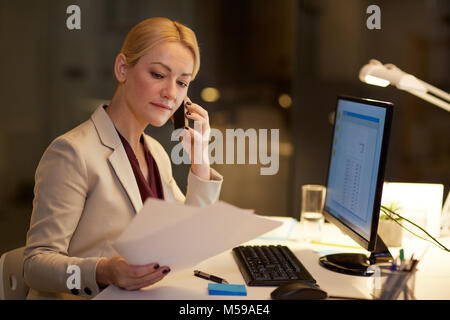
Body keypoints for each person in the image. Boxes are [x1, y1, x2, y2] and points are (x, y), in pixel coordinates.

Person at [23, 17, 223, 300]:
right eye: (157, 74)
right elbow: (35, 266)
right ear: (122, 68)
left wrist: (200, 159)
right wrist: (104, 271)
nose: (170, 93)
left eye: (182, 82)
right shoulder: (71, 152)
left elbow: (191, 236)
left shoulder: (155, 152)